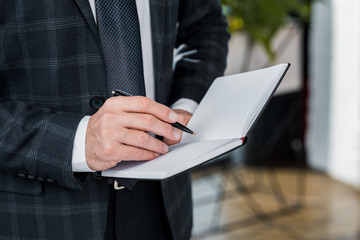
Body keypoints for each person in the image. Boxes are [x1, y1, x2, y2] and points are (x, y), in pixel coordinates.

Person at [0, 0, 229, 239]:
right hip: (41, 215)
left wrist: (185, 103)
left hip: (164, 203)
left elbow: (206, 26)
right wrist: (79, 141)